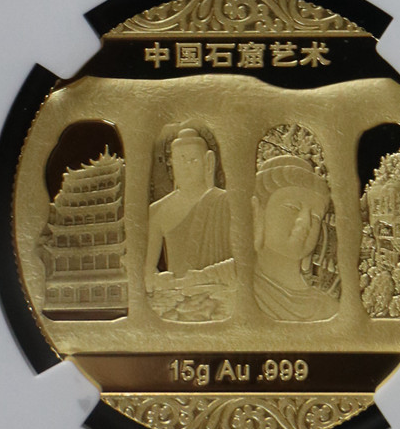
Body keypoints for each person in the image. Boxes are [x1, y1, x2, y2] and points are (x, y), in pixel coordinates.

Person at [252, 155, 339, 322]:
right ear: (256, 212)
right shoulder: (223, 290)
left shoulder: (329, 309)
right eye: (292, 207)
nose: (305, 222)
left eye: (315, 216)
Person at [145, 126, 232, 286]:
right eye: (180, 160)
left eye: (193, 160)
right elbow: (147, 270)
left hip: (222, 291)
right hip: (178, 294)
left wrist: (210, 277)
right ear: (171, 164)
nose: (186, 167)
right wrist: (160, 280)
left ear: (208, 162)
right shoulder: (158, 210)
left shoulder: (226, 202)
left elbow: (244, 257)